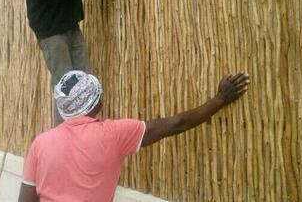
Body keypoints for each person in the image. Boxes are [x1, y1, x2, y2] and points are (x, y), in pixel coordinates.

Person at [18, 70, 251, 202]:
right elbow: (176, 124)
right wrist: (220, 99)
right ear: (97, 102)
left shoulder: (40, 143)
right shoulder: (113, 134)